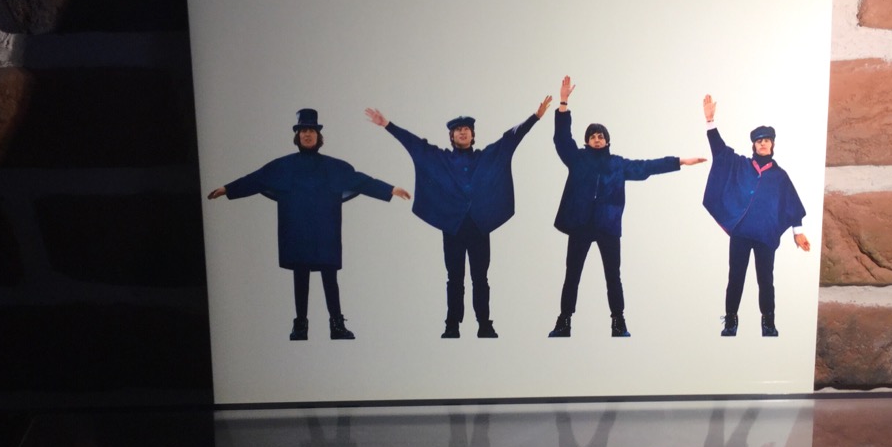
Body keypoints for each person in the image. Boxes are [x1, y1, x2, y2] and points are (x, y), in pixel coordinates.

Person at [208, 107, 410, 341]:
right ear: (297, 135)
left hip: (326, 230)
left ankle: (337, 325)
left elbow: (362, 181)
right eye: (303, 130)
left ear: (318, 136)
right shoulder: (283, 166)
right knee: (300, 275)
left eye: (311, 131)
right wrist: (227, 189)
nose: (307, 134)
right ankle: (300, 325)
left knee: (329, 275)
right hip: (297, 229)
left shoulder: (334, 166)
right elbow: (256, 179)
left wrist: (391, 189)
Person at [366, 95, 552, 338]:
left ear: (473, 135)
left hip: (479, 226)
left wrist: (534, 117)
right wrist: (387, 125)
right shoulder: (441, 158)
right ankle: (452, 325)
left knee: (480, 278)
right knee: (454, 278)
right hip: (453, 227)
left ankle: (484, 324)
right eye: (457, 130)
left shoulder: (486, 156)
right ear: (451, 136)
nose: (462, 132)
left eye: (466, 129)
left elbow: (510, 139)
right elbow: (414, 144)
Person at [548, 75, 705, 338]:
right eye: (592, 137)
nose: (597, 139)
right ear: (587, 142)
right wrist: (563, 104)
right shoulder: (577, 159)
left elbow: (646, 167)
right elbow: (562, 140)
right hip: (580, 225)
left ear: (607, 141)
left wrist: (680, 161)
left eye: (601, 136)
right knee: (572, 274)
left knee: (613, 276)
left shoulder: (618, 164)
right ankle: (564, 322)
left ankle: (618, 322)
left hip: (608, 227)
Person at [701, 94, 810, 337]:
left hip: (765, 236)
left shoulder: (780, 176)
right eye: (759, 141)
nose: (762, 144)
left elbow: (791, 204)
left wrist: (798, 233)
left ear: (772, 145)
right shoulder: (741, 165)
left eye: (766, 140)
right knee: (735, 277)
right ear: (754, 145)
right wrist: (710, 122)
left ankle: (768, 323)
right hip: (741, 233)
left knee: (766, 280)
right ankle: (730, 321)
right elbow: (720, 151)